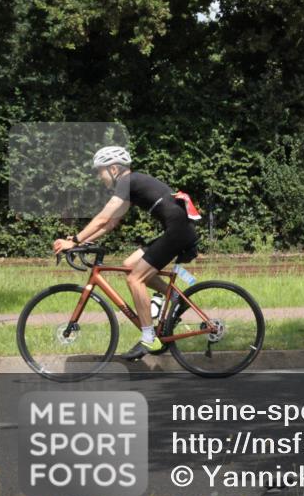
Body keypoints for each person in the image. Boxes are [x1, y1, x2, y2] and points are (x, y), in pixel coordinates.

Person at [52, 146, 199, 360]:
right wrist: (80, 241)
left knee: (134, 279)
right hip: (178, 230)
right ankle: (176, 298)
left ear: (113, 169)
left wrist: (75, 240)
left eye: (99, 170)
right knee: (130, 264)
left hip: (178, 232)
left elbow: (103, 218)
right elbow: (110, 223)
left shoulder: (126, 182)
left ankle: (148, 338)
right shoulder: (132, 185)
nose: (98, 176)